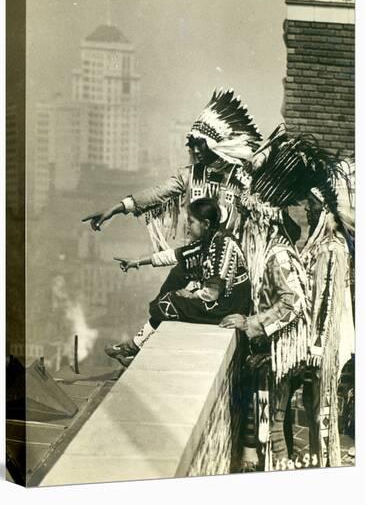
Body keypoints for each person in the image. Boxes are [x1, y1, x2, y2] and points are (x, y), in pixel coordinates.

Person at [220, 127, 336, 471]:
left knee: (270, 433)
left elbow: (295, 304)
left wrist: (254, 324)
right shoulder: (270, 253)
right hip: (271, 355)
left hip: (279, 358)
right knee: (266, 430)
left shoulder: (278, 256)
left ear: (262, 222)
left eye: (248, 220)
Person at [82, 88, 262, 251]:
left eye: (201, 144)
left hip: (232, 265)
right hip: (195, 261)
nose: (196, 150)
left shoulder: (242, 178)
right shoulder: (190, 175)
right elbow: (158, 193)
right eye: (193, 145)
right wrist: (116, 208)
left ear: (216, 144)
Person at [104, 197, 252, 367]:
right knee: (171, 296)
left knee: (170, 302)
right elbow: (176, 255)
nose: (187, 227)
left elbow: (212, 293)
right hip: (224, 300)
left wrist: (191, 294)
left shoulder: (222, 244)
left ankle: (133, 347)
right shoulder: (210, 241)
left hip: (229, 305)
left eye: (191, 222)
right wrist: (136, 262)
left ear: (205, 223)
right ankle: (133, 348)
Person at [300, 159, 355, 467]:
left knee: (324, 405)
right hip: (318, 341)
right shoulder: (318, 244)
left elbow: (329, 302)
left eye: (312, 206)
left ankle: (325, 465)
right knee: (313, 402)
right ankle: (317, 462)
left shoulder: (332, 248)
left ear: (325, 212)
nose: (307, 211)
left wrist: (319, 344)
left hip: (326, 343)